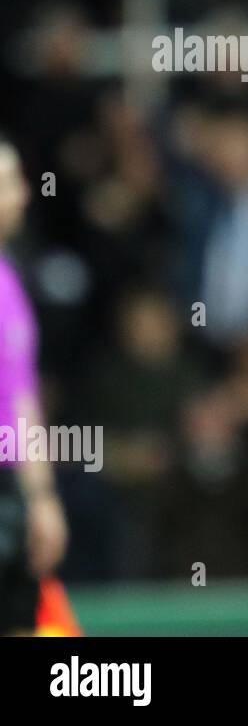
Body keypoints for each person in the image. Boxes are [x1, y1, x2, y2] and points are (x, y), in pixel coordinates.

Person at [0, 134, 68, 635]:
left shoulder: (9, 278)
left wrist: (39, 496)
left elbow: (22, 399)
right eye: (6, 183)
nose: (22, 193)